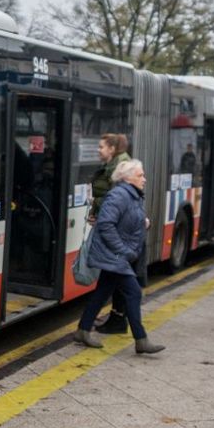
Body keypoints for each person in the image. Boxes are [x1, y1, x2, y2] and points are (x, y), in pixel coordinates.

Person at [74, 159, 165, 354]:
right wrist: (123, 251)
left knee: (102, 292)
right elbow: (105, 225)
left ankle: (83, 330)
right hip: (114, 256)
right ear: (128, 177)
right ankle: (141, 340)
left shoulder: (132, 196)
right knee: (134, 292)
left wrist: (144, 224)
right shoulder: (119, 196)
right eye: (140, 175)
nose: (144, 179)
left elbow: (127, 220)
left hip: (116, 255)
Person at [88, 133, 131, 333]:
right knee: (116, 279)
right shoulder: (113, 165)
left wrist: (101, 217)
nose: (98, 150)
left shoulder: (120, 168)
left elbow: (114, 201)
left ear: (112, 149)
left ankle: (90, 325)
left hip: (117, 232)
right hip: (116, 230)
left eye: (101, 147)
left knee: (116, 280)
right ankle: (118, 320)